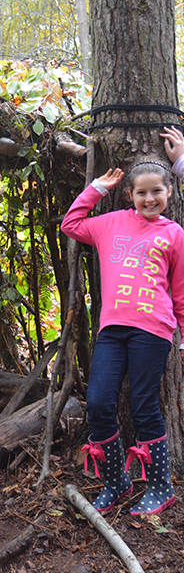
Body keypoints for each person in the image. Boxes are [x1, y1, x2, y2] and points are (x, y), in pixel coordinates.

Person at [61, 155, 184, 516]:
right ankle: (117, 481)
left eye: (156, 192)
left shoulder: (174, 233)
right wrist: (97, 188)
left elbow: (180, 291)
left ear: (169, 192)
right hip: (113, 330)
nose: (149, 199)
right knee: (99, 403)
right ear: (130, 194)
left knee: (145, 406)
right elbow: (71, 223)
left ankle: (161, 486)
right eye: (142, 192)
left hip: (154, 329)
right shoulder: (110, 223)